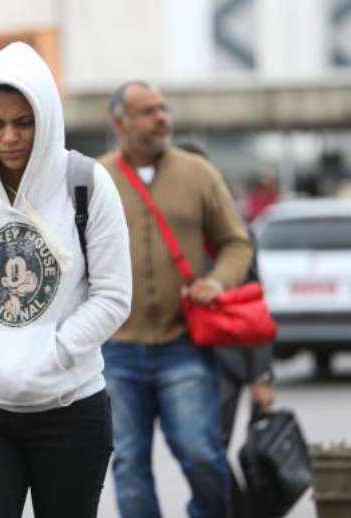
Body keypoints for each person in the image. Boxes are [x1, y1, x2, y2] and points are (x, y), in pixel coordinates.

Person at [0, 42, 132, 518]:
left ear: (48, 115)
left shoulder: (87, 183)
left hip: (72, 407)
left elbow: (113, 295)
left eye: (24, 122)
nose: (9, 137)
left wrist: (53, 353)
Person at [99, 81, 254, 518]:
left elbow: (236, 242)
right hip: (116, 351)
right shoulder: (94, 178)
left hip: (183, 345)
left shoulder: (198, 173)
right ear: (120, 122)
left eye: (164, 108)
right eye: (148, 111)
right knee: (128, 463)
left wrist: (218, 282)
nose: (162, 117)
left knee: (202, 454)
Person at [176, 140, 276, 518]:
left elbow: (257, 305)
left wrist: (264, 375)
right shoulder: (164, 230)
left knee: (207, 449)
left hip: (226, 362)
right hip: (177, 358)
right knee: (198, 452)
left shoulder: (236, 233)